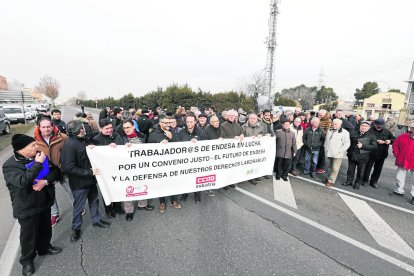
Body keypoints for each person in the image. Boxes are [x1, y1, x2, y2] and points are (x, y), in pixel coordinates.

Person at [3, 134, 62, 276]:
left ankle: (44, 247)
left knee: (45, 229)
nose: (37, 147)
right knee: (28, 236)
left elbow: (56, 171)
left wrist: (45, 181)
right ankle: (27, 261)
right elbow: (22, 182)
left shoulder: (40, 155)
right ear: (21, 149)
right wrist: (37, 164)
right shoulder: (10, 165)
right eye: (33, 145)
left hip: (44, 200)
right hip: (26, 206)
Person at [61, 120, 110, 243]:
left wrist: (91, 147)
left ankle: (96, 220)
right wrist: (88, 172)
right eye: (83, 128)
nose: (85, 129)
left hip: (91, 180)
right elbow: (68, 167)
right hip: (79, 183)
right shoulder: (69, 145)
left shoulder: (84, 140)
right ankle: (75, 228)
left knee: (94, 201)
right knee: (79, 207)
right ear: (79, 130)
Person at [34, 117, 68, 227]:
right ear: (39, 128)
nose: (46, 129)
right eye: (43, 127)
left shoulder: (63, 137)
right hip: (47, 174)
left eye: (48, 126)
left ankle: (78, 206)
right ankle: (54, 214)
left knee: (70, 190)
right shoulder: (34, 142)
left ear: (53, 127)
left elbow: (69, 153)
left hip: (62, 170)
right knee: (50, 195)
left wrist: (64, 167)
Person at [120, 119, 154, 221]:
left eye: (128, 127)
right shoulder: (121, 138)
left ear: (133, 127)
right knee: (128, 189)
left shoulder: (143, 136)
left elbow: (150, 149)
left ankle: (142, 204)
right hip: (127, 169)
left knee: (142, 186)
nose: (126, 130)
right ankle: (129, 211)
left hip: (141, 167)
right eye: (125, 128)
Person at [148, 115, 182, 213]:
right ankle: (162, 202)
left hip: (172, 164)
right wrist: (159, 146)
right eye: (166, 123)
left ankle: (173, 200)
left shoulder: (173, 132)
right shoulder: (153, 134)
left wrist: (171, 138)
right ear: (160, 123)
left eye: (169, 122)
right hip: (159, 165)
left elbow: (179, 146)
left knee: (172, 182)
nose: (168, 125)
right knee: (161, 183)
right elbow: (148, 151)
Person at [93, 119, 124, 218]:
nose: (110, 130)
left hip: (117, 168)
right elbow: (96, 156)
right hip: (104, 171)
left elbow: (122, 149)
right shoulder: (96, 139)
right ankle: (109, 209)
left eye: (111, 128)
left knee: (118, 188)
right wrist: (107, 149)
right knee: (106, 190)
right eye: (107, 128)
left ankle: (118, 207)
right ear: (101, 128)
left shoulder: (117, 135)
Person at [179, 114, 205, 203]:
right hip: (185, 161)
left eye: (191, 122)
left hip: (197, 160)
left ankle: (197, 194)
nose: (189, 123)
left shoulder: (201, 132)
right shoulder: (181, 132)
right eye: (187, 122)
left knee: (196, 178)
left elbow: (207, 145)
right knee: (185, 178)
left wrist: (198, 143)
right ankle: (184, 193)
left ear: (195, 122)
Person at [343, 121, 377, 189]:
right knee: (350, 170)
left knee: (360, 172)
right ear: (360, 126)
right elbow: (348, 143)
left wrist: (363, 146)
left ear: (369, 127)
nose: (364, 127)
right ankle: (349, 181)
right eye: (362, 125)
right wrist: (348, 151)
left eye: (366, 126)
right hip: (352, 155)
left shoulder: (371, 136)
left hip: (363, 157)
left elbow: (374, 147)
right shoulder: (353, 133)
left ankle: (357, 183)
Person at [362, 118, 395, 188]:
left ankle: (374, 181)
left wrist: (390, 141)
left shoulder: (387, 131)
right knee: (368, 168)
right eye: (378, 126)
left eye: (381, 126)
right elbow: (366, 138)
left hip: (382, 153)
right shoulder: (370, 130)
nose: (379, 127)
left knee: (378, 169)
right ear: (375, 125)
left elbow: (394, 139)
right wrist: (376, 141)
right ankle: (365, 180)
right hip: (371, 153)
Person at [242, 113, 269, 184]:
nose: (252, 120)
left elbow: (265, 135)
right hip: (247, 149)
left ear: (257, 119)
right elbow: (241, 136)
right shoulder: (243, 127)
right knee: (249, 163)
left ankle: (256, 175)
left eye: (254, 118)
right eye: (251, 118)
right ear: (248, 119)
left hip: (257, 149)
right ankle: (250, 177)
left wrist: (261, 135)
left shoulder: (261, 127)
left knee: (256, 162)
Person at [220, 109, 244, 189]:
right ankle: (224, 184)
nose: (231, 117)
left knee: (233, 167)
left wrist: (242, 135)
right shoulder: (223, 125)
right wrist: (233, 137)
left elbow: (241, 133)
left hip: (235, 151)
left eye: (233, 116)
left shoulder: (237, 125)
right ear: (227, 116)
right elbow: (222, 138)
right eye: (230, 115)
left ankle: (230, 182)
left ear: (235, 116)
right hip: (227, 151)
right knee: (226, 168)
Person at [324, 119, 350, 187]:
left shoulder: (345, 132)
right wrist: (326, 148)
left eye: (336, 124)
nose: (334, 125)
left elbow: (347, 144)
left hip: (337, 154)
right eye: (333, 124)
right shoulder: (330, 130)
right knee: (328, 167)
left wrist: (339, 151)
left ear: (340, 125)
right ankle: (328, 178)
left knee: (335, 168)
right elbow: (327, 141)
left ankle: (331, 181)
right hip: (329, 152)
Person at [392, 122, 414, 202]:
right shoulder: (403, 136)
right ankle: (399, 190)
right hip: (403, 159)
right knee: (400, 176)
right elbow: (395, 145)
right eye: (413, 128)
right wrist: (397, 155)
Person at [315, 109, 332, 174]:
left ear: (325, 114)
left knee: (321, 153)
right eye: (319, 114)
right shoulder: (319, 119)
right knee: (317, 153)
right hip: (317, 137)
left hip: (322, 139)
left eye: (320, 115)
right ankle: (317, 166)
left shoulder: (328, 120)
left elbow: (328, 131)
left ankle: (321, 167)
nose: (319, 115)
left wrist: (319, 133)